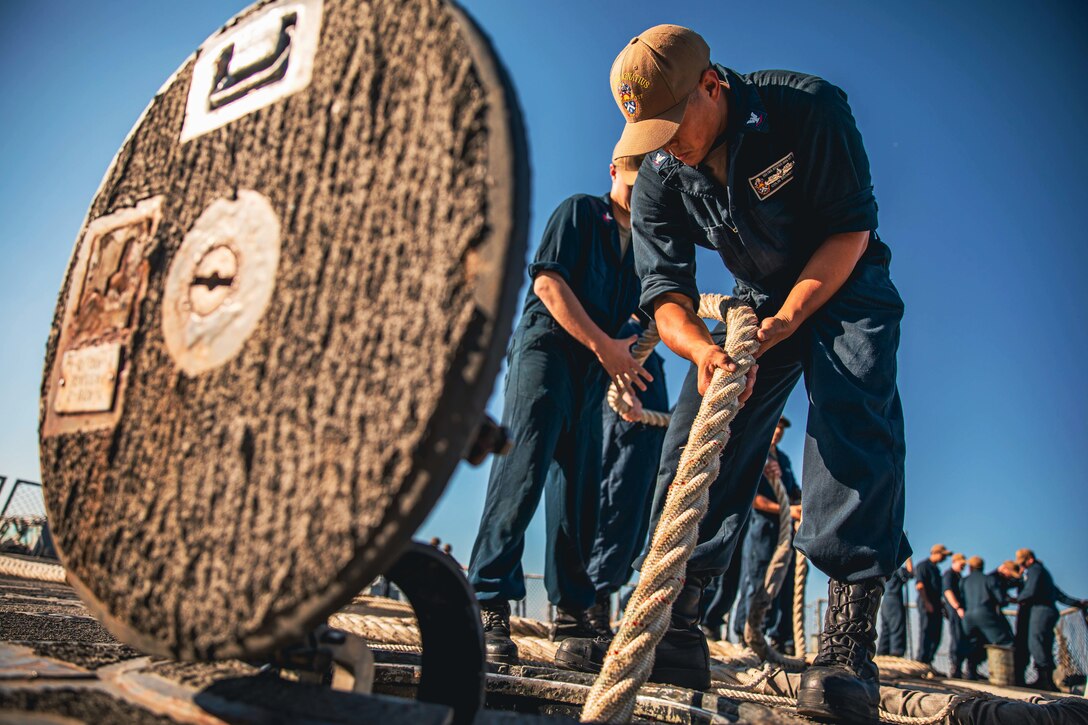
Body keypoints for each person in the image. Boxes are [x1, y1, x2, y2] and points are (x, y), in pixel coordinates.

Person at [558, 24, 910, 723]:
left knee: (850, 417)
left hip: (842, 280)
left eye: (670, 122)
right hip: (758, 300)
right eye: (646, 131)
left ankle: (846, 643)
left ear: (712, 86)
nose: (662, 143)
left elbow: (850, 230)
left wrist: (788, 320)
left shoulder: (807, 110)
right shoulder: (659, 170)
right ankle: (679, 620)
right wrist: (707, 352)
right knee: (699, 435)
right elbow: (666, 295)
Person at [467, 155, 647, 664]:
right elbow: (548, 284)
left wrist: (625, 383)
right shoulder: (580, 212)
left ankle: (571, 613)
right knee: (522, 471)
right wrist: (606, 349)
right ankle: (486, 601)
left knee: (579, 491)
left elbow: (628, 334)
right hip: (546, 354)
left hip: (592, 374)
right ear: (613, 170)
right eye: (634, 178)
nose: (640, 189)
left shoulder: (643, 253)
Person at [582, 308, 669, 637]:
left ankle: (602, 598)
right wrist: (623, 393)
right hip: (625, 438)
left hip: (647, 445)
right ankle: (591, 604)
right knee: (614, 515)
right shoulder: (622, 330)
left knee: (634, 525)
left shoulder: (652, 351)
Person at [731, 417, 801, 653]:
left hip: (784, 530)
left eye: (782, 429)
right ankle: (746, 633)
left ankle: (777, 637)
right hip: (761, 527)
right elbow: (752, 497)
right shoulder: (756, 453)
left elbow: (792, 493)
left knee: (782, 582)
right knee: (757, 579)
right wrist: (786, 510)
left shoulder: (784, 461)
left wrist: (799, 507)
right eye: (777, 426)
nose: (779, 431)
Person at [1014, 548, 1087, 691]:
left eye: (1023, 563)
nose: (1022, 567)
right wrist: (1077, 603)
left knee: (1036, 641)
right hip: (1048, 611)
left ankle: (1045, 679)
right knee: (1044, 643)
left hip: (1040, 610)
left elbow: (1030, 591)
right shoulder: (1042, 573)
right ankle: (1045, 679)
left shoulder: (1035, 570)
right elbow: (1059, 595)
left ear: (1029, 560)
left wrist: (1016, 599)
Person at [961, 556, 1013, 681]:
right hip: (985, 615)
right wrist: (1009, 599)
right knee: (1004, 640)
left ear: (970, 567)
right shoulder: (988, 579)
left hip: (967, 617)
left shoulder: (964, 581)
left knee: (973, 644)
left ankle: (971, 672)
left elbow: (961, 597)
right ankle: (1004, 675)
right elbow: (1000, 599)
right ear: (982, 566)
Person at [915, 544, 950, 668]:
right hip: (927, 603)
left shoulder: (936, 569)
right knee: (926, 632)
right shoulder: (923, 566)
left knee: (936, 634)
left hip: (936, 604)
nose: (945, 558)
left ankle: (928, 661)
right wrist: (926, 602)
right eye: (943, 555)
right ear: (936, 553)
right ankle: (921, 662)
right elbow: (920, 586)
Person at [877, 557, 913, 657]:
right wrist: (908, 558)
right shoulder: (897, 570)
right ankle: (896, 652)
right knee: (897, 627)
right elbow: (910, 573)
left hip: (885, 601)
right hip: (894, 600)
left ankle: (882, 652)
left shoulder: (885, 569)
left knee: (886, 628)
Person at [943, 553, 968, 678]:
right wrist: (957, 607)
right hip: (955, 611)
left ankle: (959, 667)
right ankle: (955, 667)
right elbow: (948, 591)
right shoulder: (949, 574)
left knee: (962, 638)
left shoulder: (958, 575)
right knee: (956, 637)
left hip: (959, 611)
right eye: (962, 564)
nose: (963, 566)